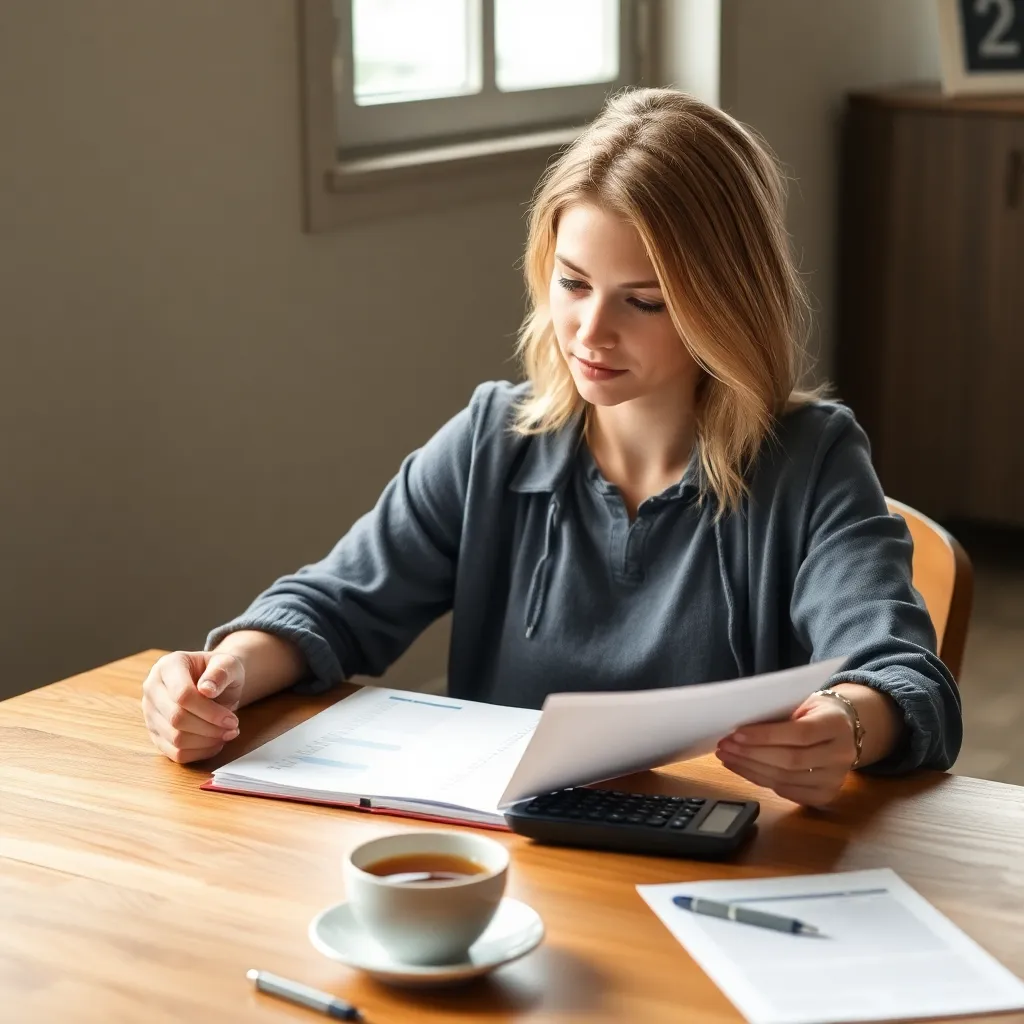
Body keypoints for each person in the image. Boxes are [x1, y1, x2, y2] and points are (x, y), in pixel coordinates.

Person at [141, 88, 962, 806]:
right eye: (572, 283)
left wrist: (850, 723)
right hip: (508, 872)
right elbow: (331, 608)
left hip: (718, 875)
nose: (591, 332)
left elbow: (901, 673)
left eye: (643, 302)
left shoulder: (811, 460)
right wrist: (226, 674)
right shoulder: (492, 442)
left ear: (724, 304)